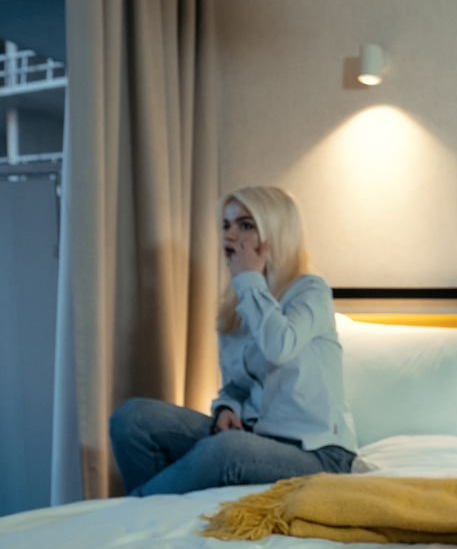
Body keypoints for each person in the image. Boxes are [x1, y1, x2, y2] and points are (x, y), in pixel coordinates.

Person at [110, 185, 356, 496]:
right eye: (226, 225)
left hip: (319, 452)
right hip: (255, 436)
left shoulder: (311, 292)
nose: (229, 236)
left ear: (275, 233)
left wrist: (249, 280)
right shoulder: (235, 306)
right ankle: (165, 519)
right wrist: (227, 407)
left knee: (226, 449)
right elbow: (238, 386)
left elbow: (279, 346)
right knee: (132, 419)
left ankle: (132, 514)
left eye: (245, 225)